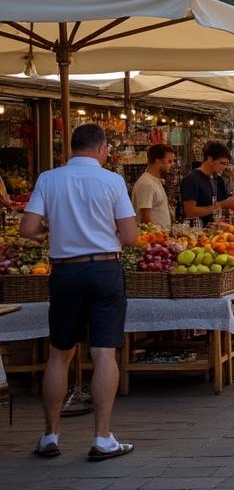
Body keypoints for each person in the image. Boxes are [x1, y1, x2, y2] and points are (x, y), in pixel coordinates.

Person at [21, 124, 138, 460]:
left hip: (65, 271)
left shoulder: (48, 178)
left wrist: (51, 227)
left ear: (70, 149)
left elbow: (28, 229)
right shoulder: (112, 181)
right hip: (103, 268)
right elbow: (130, 236)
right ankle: (102, 438)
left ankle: (50, 435)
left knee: (60, 353)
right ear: (101, 149)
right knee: (104, 353)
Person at [180, 142, 234, 225]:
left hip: (213, 230)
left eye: (226, 164)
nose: (224, 167)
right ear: (210, 160)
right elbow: (190, 212)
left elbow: (222, 204)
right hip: (196, 231)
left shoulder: (217, 179)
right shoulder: (191, 179)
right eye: (222, 163)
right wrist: (221, 205)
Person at [132, 143, 176, 227]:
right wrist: (157, 235)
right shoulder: (147, 184)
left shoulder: (155, 181)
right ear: (158, 161)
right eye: (169, 161)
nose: (172, 164)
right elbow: (145, 218)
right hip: (153, 238)